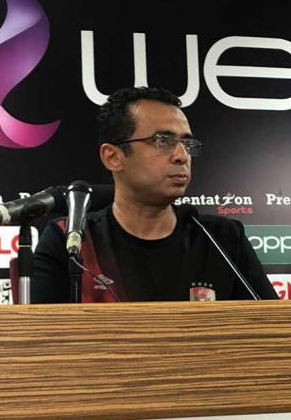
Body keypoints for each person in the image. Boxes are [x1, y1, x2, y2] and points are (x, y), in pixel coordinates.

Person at [31, 87, 277, 302]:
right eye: (163, 140)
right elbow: (44, 335)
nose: (182, 156)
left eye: (187, 143)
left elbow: (274, 326)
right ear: (113, 157)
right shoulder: (72, 241)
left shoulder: (223, 238)